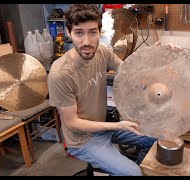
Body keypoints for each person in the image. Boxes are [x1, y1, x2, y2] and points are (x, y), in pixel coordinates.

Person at [48, 4, 181, 176]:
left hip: (106, 128)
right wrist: (117, 125)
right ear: (68, 32)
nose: (87, 42)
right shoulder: (60, 74)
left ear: (100, 32)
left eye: (92, 32)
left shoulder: (102, 52)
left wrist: (158, 55)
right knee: (133, 173)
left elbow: (132, 74)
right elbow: (72, 122)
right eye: (79, 33)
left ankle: (131, 168)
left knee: (158, 138)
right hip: (82, 141)